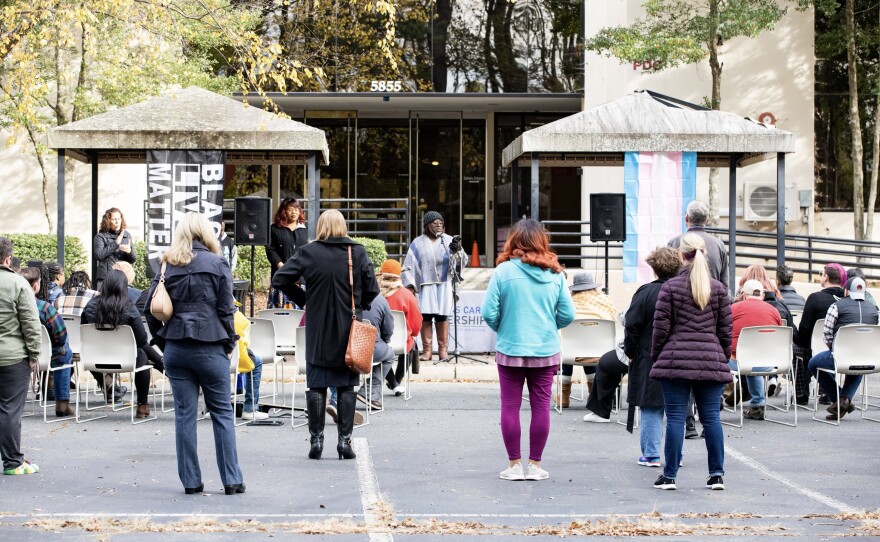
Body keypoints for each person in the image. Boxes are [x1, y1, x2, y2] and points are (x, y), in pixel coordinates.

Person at [144, 212, 244, 495]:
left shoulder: (167, 265)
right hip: (210, 345)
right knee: (222, 413)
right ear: (206, 233)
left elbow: (149, 309)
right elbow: (226, 309)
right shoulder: (218, 262)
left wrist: (164, 343)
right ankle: (232, 480)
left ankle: (190, 482)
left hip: (176, 346)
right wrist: (229, 343)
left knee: (184, 415)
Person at [272, 209, 379, 461]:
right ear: (343, 226)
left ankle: (316, 442)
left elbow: (279, 279)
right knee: (348, 387)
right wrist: (357, 304)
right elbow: (373, 289)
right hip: (348, 330)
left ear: (320, 226)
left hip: (318, 328)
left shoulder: (309, 252)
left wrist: (305, 299)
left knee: (316, 384)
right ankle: (344, 442)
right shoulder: (357, 252)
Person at [481, 219, 575, 482]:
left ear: (514, 241)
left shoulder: (502, 272)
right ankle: (535, 465)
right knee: (541, 407)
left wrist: (504, 327)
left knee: (510, 406)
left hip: (511, 347)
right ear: (541, 242)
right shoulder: (555, 274)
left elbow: (488, 312)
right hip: (545, 349)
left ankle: (513, 465)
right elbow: (568, 314)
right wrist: (549, 325)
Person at [651, 233, 732, 491]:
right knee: (711, 419)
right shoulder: (718, 289)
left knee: (675, 418)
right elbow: (725, 332)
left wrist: (658, 356)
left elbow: (660, 329)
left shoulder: (670, 287)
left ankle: (670, 476)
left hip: (676, 359)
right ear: (704, 254)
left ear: (680, 255)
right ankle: (716, 474)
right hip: (710, 359)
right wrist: (721, 355)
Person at [623, 247, 681, 469]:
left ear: (654, 268)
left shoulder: (645, 292)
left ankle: (652, 454)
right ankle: (677, 455)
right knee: (676, 407)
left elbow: (632, 324)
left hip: (649, 355)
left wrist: (630, 351)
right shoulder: (686, 291)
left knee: (650, 406)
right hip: (680, 354)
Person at [82, 270, 156, 417]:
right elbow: (141, 340)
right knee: (141, 355)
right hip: (127, 359)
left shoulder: (90, 306)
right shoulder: (128, 306)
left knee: (91, 352)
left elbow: (83, 334)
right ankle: (142, 405)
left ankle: (109, 389)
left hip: (95, 359)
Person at [808, 276, 878, 420]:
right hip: (869, 358)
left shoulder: (836, 306)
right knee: (860, 362)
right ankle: (845, 400)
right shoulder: (875, 310)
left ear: (846, 291)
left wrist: (834, 349)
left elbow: (827, 335)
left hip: (841, 357)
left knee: (813, 364)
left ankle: (840, 399)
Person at [0, 237, 42, 475]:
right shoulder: (18, 284)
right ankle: (13, 462)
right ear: (8, 259)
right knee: (9, 411)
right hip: (12, 357)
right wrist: (34, 355)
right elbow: (30, 324)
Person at [402, 211, 465, 362]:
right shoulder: (418, 242)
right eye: (434, 223)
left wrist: (458, 251)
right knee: (426, 316)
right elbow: (409, 264)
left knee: (442, 316)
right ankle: (427, 351)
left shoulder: (449, 240)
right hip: (426, 285)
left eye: (441, 223)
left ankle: (443, 351)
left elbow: (462, 261)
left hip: (444, 285)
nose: (438, 225)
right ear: (426, 225)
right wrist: (410, 285)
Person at [21, 268, 75, 417]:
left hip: (20, 355)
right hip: (47, 356)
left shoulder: (10, 306)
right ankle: (62, 403)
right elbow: (60, 336)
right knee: (65, 351)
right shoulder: (44, 308)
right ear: (36, 286)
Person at [561, 271, 615, 414]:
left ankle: (564, 397)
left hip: (571, 353)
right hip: (601, 351)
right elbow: (614, 320)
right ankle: (594, 394)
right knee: (589, 345)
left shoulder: (569, 302)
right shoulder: (605, 301)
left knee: (568, 343)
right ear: (593, 287)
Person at [728, 279, 783, 421]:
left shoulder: (734, 308)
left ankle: (714, 402)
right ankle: (758, 405)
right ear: (763, 296)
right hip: (769, 363)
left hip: (739, 363)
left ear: (744, 295)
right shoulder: (774, 311)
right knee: (755, 359)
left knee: (718, 360)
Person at [794, 263, 845, 405]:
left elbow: (804, 331)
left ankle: (801, 393)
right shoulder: (847, 300)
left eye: (821, 274)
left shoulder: (815, 298)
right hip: (843, 350)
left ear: (826, 277)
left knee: (797, 348)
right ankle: (828, 392)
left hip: (815, 349)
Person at [377, 259, 422, 396]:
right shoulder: (407, 294)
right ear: (399, 276)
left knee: (379, 351)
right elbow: (416, 324)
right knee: (411, 345)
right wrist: (412, 333)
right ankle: (396, 382)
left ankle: (394, 382)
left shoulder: (374, 293)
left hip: (379, 341)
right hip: (402, 342)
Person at [668, 200, 729, 289]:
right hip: (712, 300)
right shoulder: (719, 245)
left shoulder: (674, 243)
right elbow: (725, 285)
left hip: (679, 300)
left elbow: (667, 280)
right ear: (707, 220)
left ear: (686, 218)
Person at [266, 197, 308, 309]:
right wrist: (280, 265)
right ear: (284, 211)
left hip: (301, 279)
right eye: (290, 209)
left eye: (296, 209)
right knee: (281, 316)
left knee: (300, 317)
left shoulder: (305, 229)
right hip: (281, 278)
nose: (293, 212)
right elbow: (271, 249)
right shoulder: (275, 229)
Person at [357, 290, 395, 409]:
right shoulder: (380, 300)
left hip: (344, 347)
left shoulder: (344, 294)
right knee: (389, 355)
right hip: (371, 348)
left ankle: (336, 397)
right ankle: (370, 391)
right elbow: (388, 329)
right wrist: (385, 341)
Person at [232, 304, 267, 421]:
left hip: (209, 357)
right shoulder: (239, 318)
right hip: (234, 359)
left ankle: (213, 409)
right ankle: (249, 409)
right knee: (257, 360)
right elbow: (244, 341)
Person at [93, 207, 135, 288]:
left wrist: (130, 252)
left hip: (123, 277)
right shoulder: (100, 236)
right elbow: (99, 255)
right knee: (103, 300)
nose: (117, 222)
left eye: (119, 219)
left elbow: (133, 259)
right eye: (114, 219)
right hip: (106, 277)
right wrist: (115, 243)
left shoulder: (126, 235)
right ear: (108, 221)